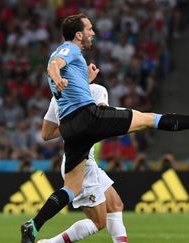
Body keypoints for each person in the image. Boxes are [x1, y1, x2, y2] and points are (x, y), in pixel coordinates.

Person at [21, 13, 189, 243]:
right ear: (78, 34)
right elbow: (54, 64)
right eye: (89, 29)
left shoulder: (73, 63)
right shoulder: (70, 49)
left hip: (71, 129)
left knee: (70, 189)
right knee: (149, 119)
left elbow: (60, 101)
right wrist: (56, 77)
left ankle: (33, 226)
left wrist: (83, 80)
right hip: (89, 117)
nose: (93, 33)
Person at [37, 84, 127, 243]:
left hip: (86, 160)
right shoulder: (97, 90)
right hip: (81, 163)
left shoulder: (58, 96)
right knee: (98, 222)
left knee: (115, 205)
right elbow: (101, 116)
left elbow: (46, 133)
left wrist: (70, 126)